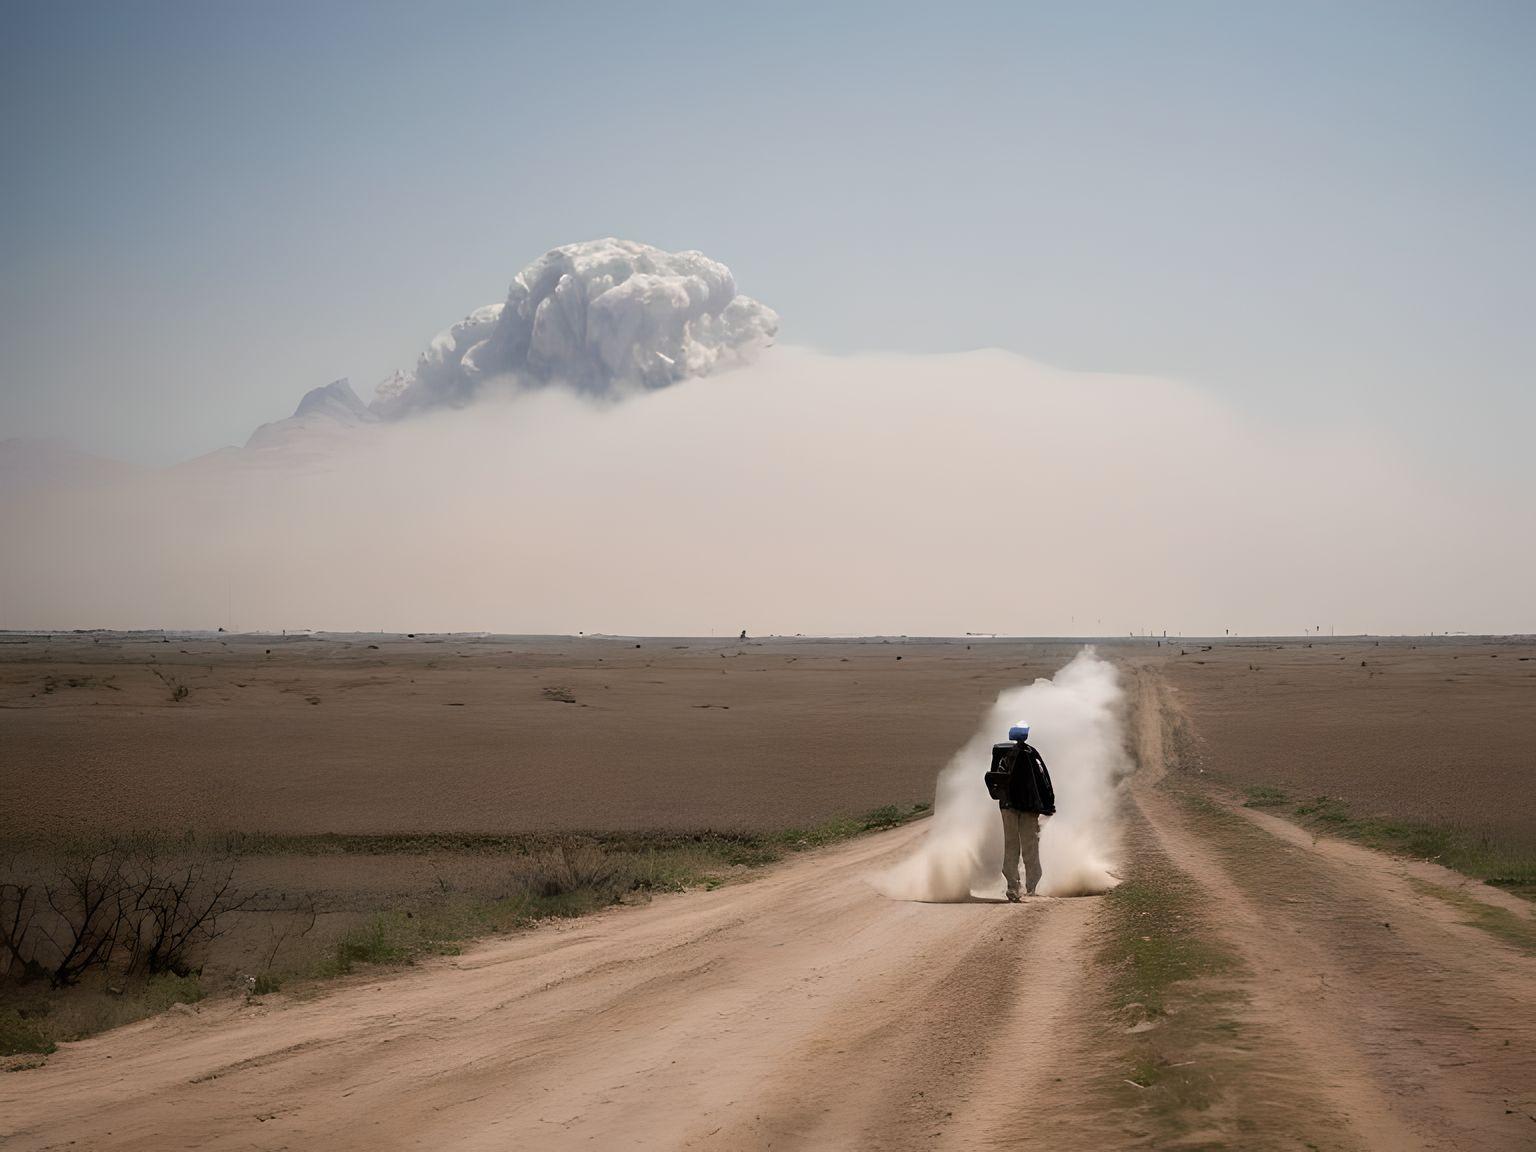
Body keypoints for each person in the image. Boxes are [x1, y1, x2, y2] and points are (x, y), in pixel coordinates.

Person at [995, 721, 1055, 900]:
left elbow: (996, 780)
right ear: (1025, 735)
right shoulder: (1031, 754)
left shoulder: (1003, 754)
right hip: (1029, 807)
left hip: (1007, 807)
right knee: (1030, 846)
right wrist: (1048, 804)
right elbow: (1043, 779)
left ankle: (1013, 887)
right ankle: (1031, 888)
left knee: (1011, 846)